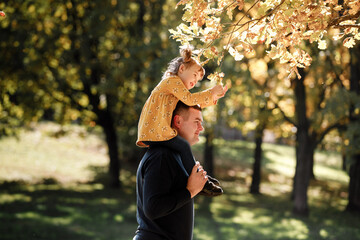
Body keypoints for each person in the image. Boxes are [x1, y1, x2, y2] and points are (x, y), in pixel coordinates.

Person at [136, 45, 228, 196]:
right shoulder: (171, 81)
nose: (195, 82)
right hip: (156, 130)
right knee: (183, 146)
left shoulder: (174, 87)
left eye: (197, 80)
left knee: (181, 149)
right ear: (182, 69)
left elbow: (189, 104)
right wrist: (210, 92)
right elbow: (189, 99)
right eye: (194, 76)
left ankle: (200, 178)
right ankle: (201, 182)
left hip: (158, 130)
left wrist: (213, 97)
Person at [134, 101, 210, 240]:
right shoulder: (162, 155)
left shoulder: (174, 155)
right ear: (178, 121)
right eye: (197, 122)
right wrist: (190, 191)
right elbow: (153, 208)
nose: (201, 128)